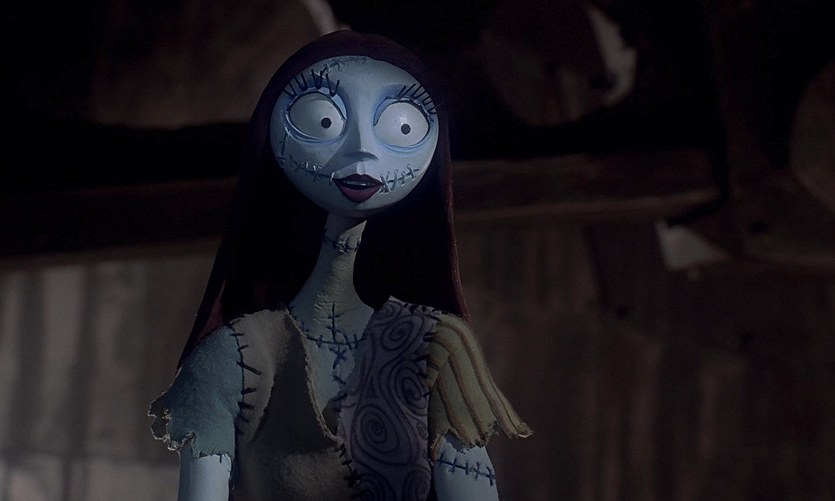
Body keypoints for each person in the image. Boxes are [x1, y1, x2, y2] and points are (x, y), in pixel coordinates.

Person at [149, 29, 531, 501]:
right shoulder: (235, 358)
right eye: (323, 119)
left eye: (401, 127)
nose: (363, 149)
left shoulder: (435, 346)